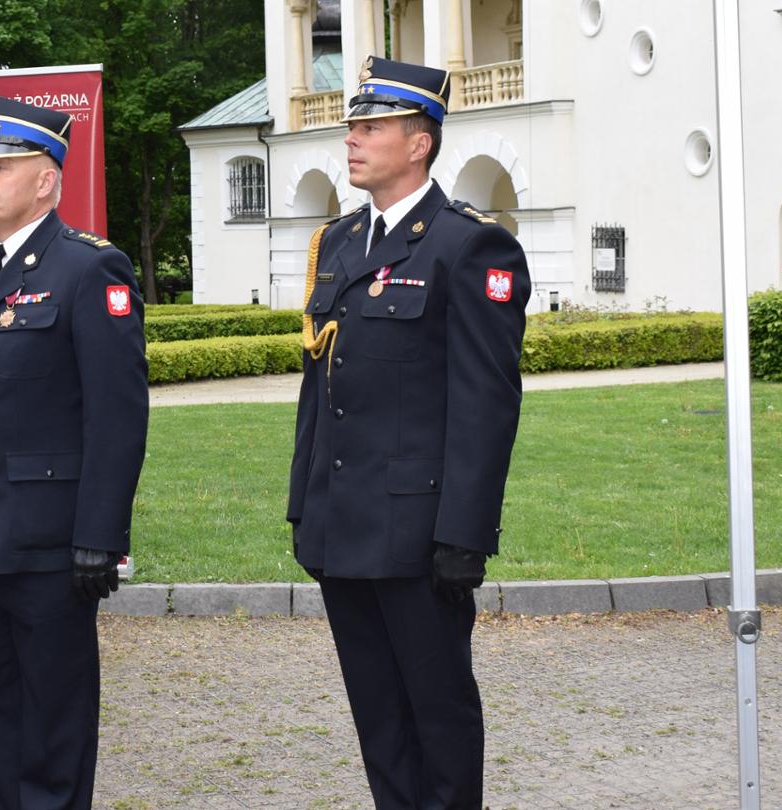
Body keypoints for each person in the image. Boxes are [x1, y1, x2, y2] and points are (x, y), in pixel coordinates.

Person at [287, 56, 532, 810]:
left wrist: (465, 534)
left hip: (419, 534)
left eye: (370, 127)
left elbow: (487, 403)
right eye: (352, 127)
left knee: (438, 714)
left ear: (419, 142)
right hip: (342, 528)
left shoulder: (467, 246)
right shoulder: (337, 243)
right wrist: (304, 507)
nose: (352, 141)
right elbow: (319, 387)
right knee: (379, 720)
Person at [0, 96, 149, 810]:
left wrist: (99, 539)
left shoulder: (88, 270)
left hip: (48, 549)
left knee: (52, 734)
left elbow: (117, 415)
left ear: (46, 180)